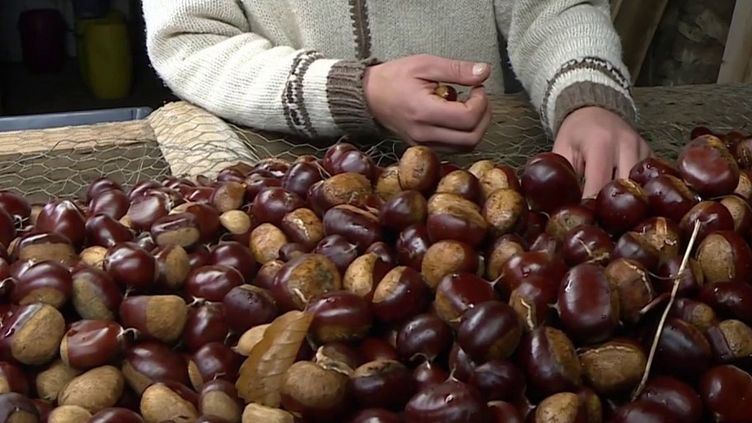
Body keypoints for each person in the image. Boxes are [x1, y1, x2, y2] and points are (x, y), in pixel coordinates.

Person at [142, 0, 651, 198]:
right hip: (280, 199)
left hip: (471, 191)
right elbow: (190, 38)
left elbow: (551, 9)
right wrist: (353, 91)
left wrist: (587, 97)